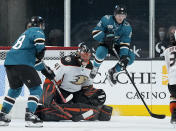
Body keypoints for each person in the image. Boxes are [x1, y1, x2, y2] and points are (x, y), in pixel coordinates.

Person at [35, 43, 112, 122]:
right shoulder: (67, 62)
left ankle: (67, 110)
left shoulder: (90, 67)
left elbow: (87, 86)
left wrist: (94, 94)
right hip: (62, 93)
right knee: (49, 106)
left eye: (88, 55)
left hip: (77, 94)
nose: (86, 58)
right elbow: (51, 79)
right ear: (78, 53)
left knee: (99, 95)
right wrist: (47, 96)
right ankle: (50, 110)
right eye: (84, 55)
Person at [0, 16, 54, 127]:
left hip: (10, 63)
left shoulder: (25, 34)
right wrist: (41, 50)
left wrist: (44, 70)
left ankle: (2, 115)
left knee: (15, 90)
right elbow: (39, 43)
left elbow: (33, 59)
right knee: (36, 89)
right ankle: (30, 116)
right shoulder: (36, 30)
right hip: (22, 63)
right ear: (40, 24)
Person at [89, 4, 135, 86]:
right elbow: (94, 33)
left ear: (125, 16)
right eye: (118, 15)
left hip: (117, 46)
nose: (120, 17)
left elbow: (125, 43)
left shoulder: (127, 27)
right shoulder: (106, 19)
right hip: (105, 43)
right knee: (101, 52)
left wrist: (123, 56)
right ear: (115, 14)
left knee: (130, 58)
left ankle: (113, 71)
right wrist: (105, 37)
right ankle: (95, 67)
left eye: (123, 15)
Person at [164, 30, 176, 124]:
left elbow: (168, 66)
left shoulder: (167, 51)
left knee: (173, 96)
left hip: (172, 80)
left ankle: (174, 116)